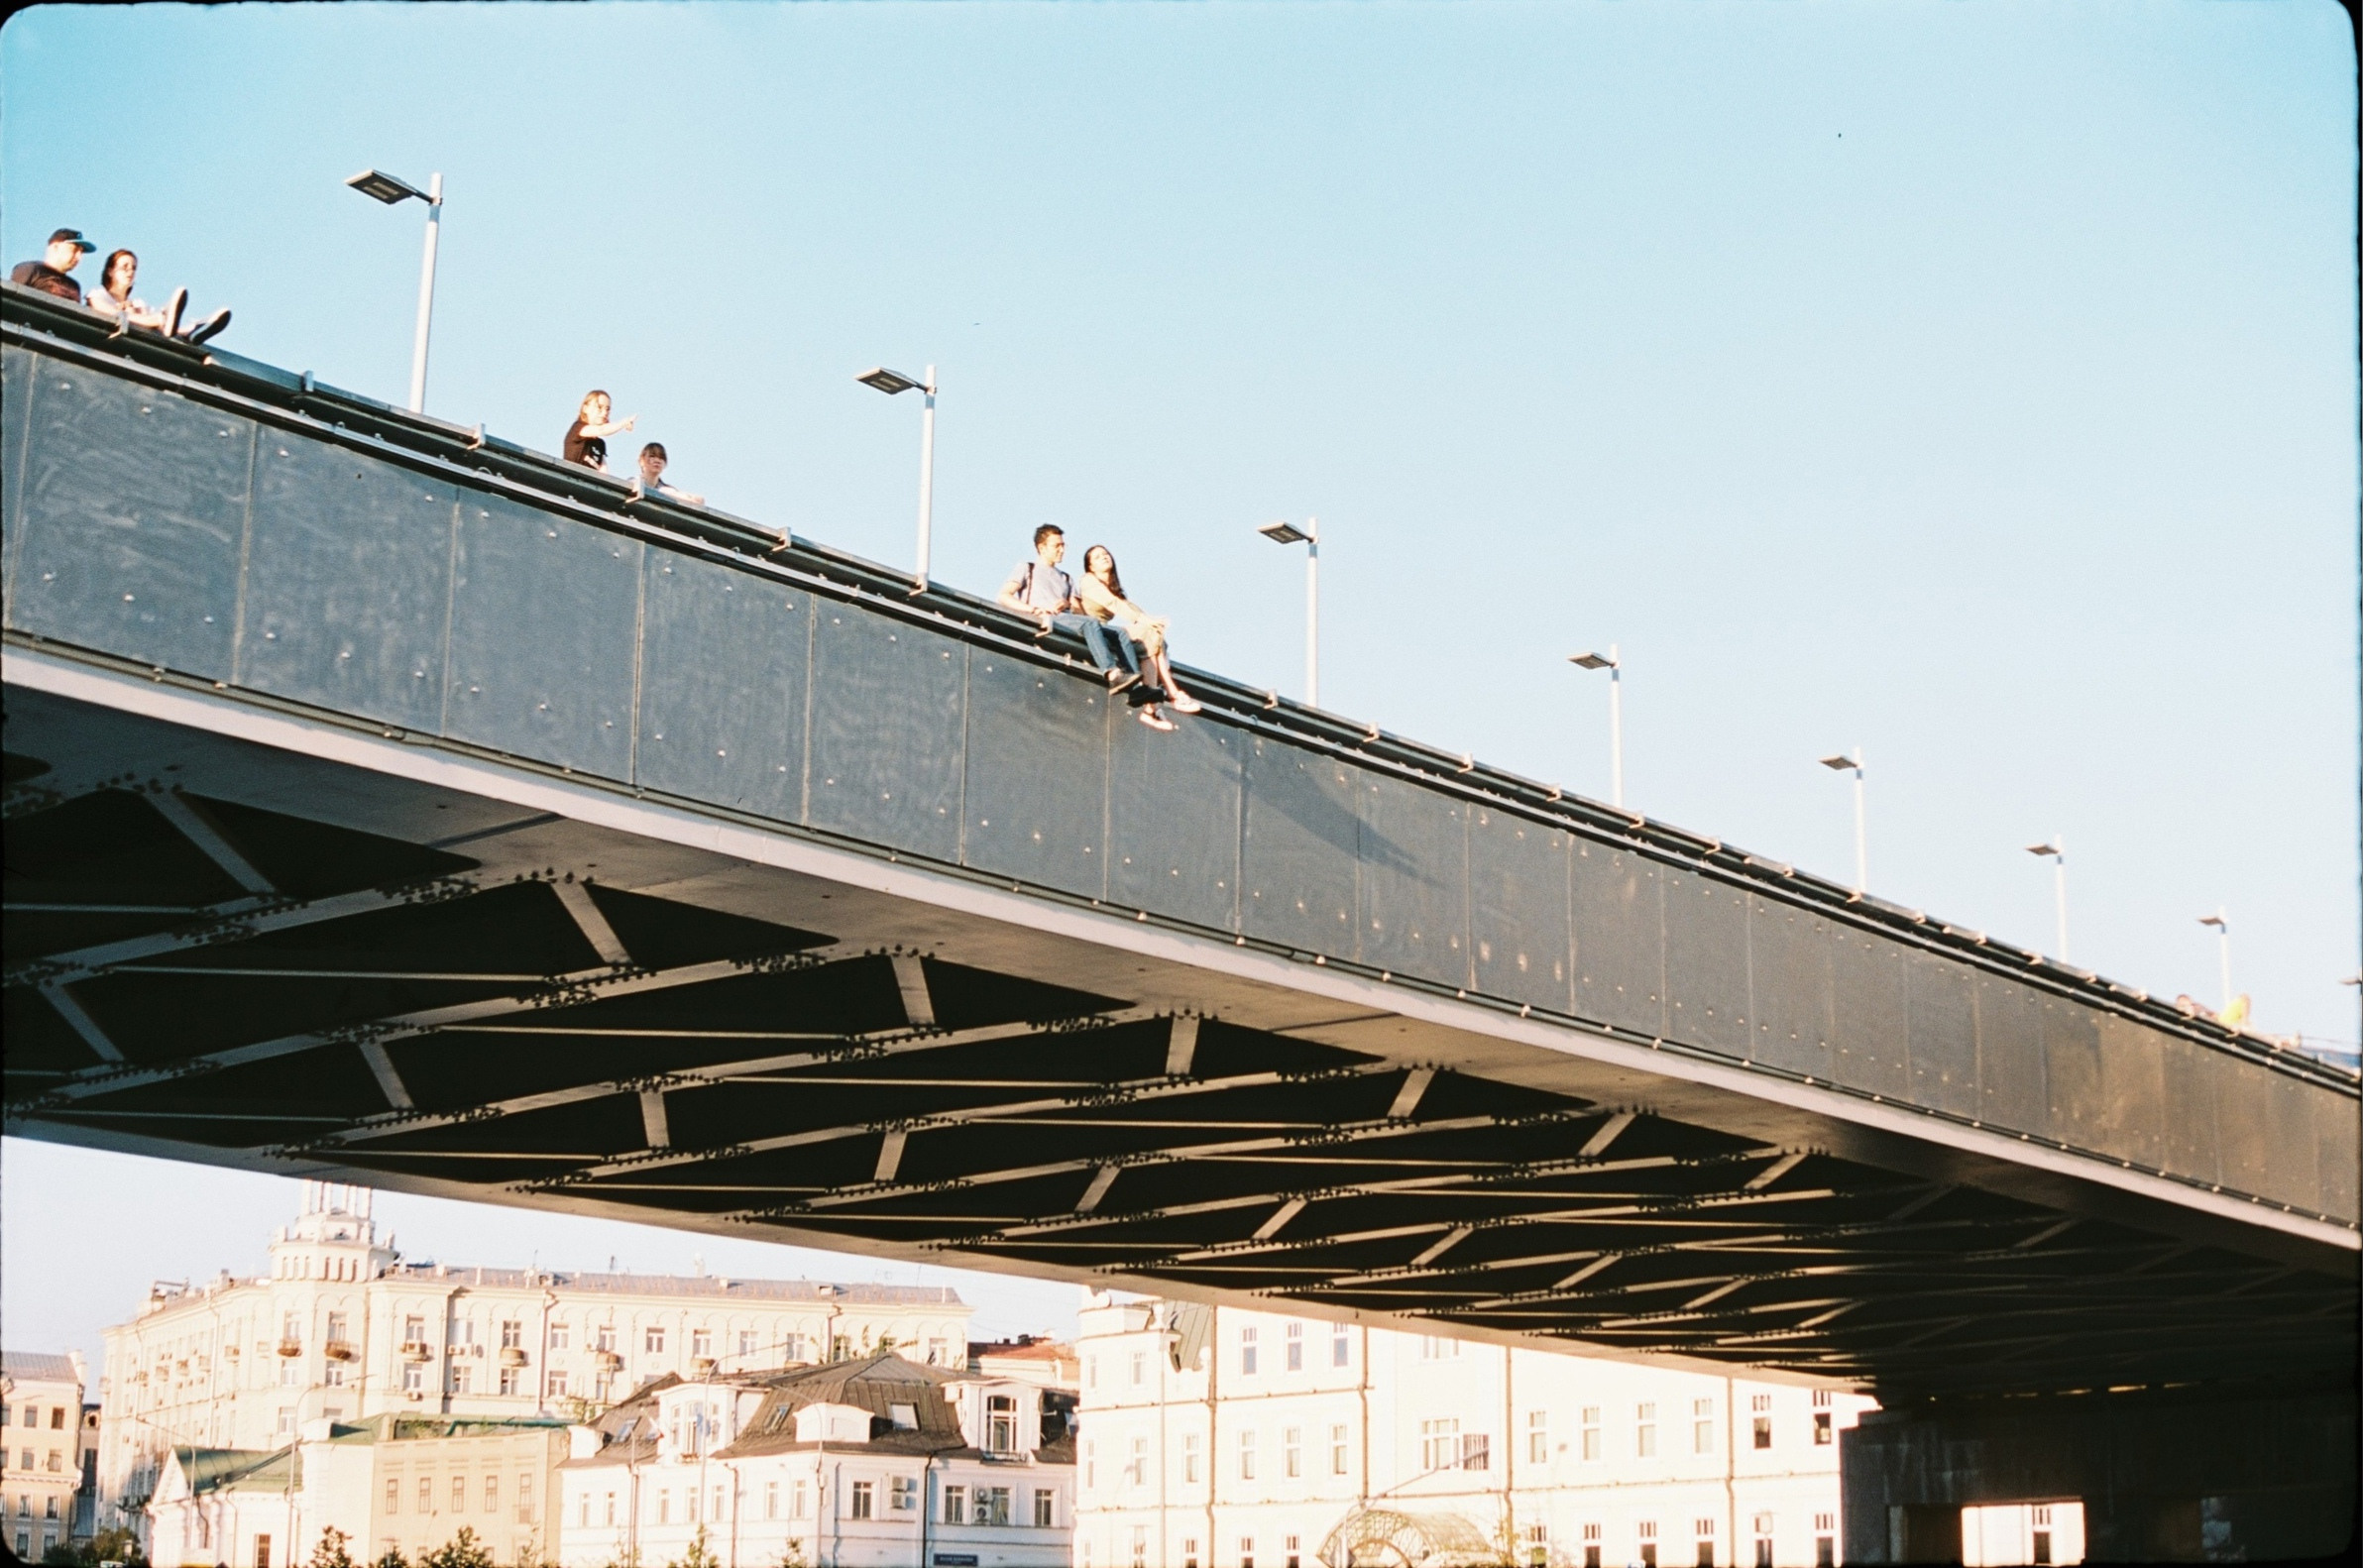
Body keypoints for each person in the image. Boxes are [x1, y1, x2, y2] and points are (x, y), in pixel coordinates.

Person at [995, 524, 1157, 710]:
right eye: (1057, 546)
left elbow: (1078, 611)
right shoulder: (1027, 568)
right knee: (1091, 623)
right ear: (1042, 547)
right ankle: (1112, 673)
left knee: (1120, 634)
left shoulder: (1066, 578)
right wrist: (1033, 610)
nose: (1062, 550)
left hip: (1067, 619)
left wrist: (1067, 603)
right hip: (1045, 618)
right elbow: (1003, 596)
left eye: (1063, 545)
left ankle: (1137, 687)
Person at [1076, 544, 1202, 723]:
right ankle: (1167, 697)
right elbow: (1113, 604)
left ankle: (1155, 704)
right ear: (1090, 566)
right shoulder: (1088, 580)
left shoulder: (1113, 585)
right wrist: (1145, 621)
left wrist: (1151, 622)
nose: (1104, 557)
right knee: (1148, 633)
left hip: (1108, 631)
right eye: (1097, 557)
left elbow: (1129, 607)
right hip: (1096, 630)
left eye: (1105, 553)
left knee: (1153, 635)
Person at [11, 228, 94, 302]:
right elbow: (11, 301)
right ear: (55, 247)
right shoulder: (30, 269)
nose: (78, 257)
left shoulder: (75, 285)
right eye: (74, 250)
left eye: (81, 252)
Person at [563, 390, 635, 471]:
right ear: (585, 408)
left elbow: (604, 473)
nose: (604, 413)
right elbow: (602, 430)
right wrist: (623, 423)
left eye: (607, 409)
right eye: (599, 407)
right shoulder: (577, 428)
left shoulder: (600, 444)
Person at [632, 442, 705, 505]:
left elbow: (697, 500)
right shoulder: (633, 483)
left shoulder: (668, 489)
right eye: (652, 456)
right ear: (641, 461)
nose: (657, 460)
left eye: (661, 458)